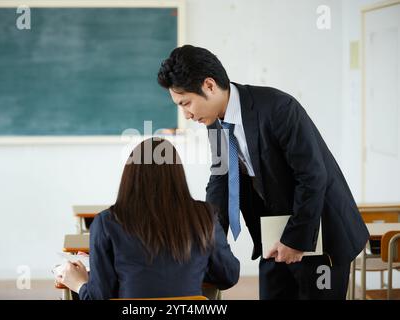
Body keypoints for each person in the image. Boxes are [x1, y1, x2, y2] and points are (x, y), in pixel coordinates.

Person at [157, 45, 369, 300]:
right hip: (273, 236)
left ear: (209, 86)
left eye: (186, 103)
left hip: (319, 234)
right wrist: (207, 241)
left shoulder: (278, 108)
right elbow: (221, 180)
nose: (186, 114)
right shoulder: (214, 122)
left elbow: (312, 177)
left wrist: (296, 240)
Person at [58, 137, 240, 299]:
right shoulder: (205, 216)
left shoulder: (106, 222)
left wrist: (79, 283)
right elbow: (228, 275)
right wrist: (191, 266)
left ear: (129, 177)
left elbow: (100, 296)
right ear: (178, 175)